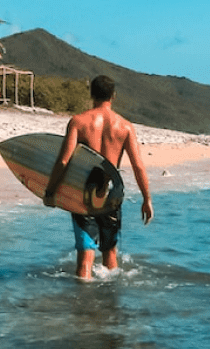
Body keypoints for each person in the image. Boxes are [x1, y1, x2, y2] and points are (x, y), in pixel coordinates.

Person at [43, 75, 153, 279]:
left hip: (84, 191)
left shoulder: (78, 122)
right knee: (110, 253)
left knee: (85, 256)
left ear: (91, 94)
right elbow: (138, 166)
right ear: (113, 96)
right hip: (111, 191)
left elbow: (64, 161)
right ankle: (110, 295)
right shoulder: (126, 126)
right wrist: (147, 199)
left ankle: (83, 295)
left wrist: (51, 191)